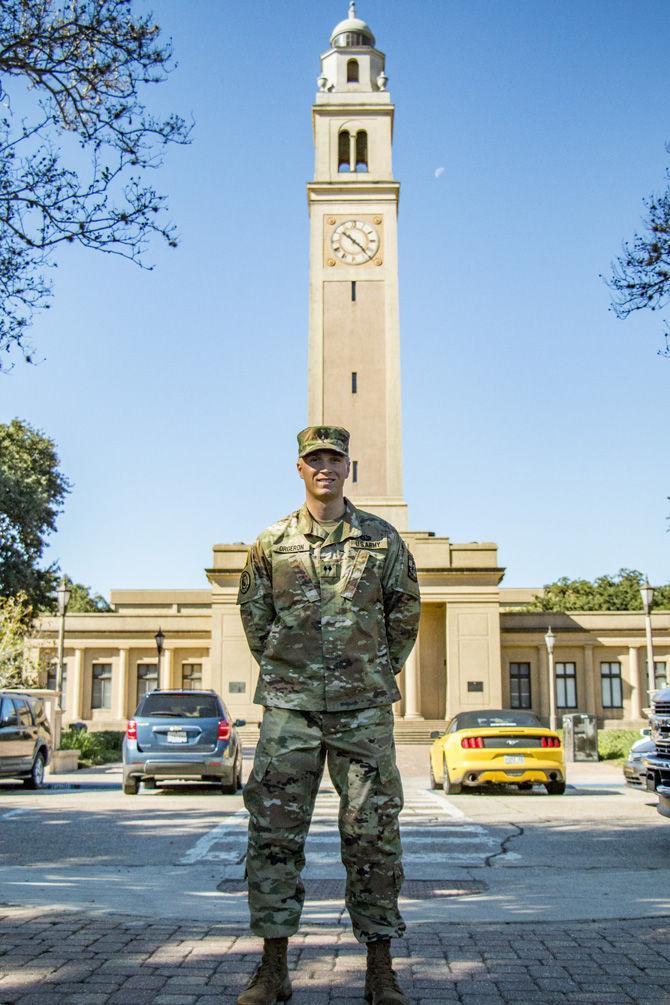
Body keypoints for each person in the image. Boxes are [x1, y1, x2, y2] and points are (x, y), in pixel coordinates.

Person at [236, 425, 421, 1005]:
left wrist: (369, 670)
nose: (325, 469)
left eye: (335, 460)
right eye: (315, 460)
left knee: (373, 834)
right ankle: (272, 969)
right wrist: (290, 667)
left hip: (362, 710)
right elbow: (255, 615)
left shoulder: (383, 541)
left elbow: (405, 613)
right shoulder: (271, 543)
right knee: (273, 834)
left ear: (349, 468)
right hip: (290, 711)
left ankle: (380, 968)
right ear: (299, 468)